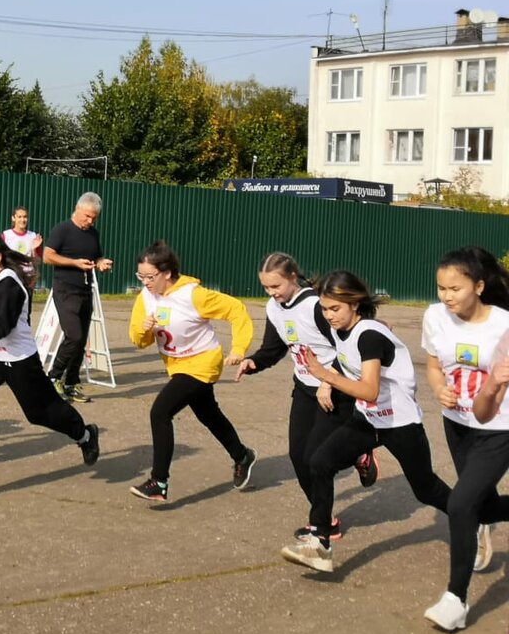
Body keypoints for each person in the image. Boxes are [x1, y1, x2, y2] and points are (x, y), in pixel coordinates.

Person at [282, 270, 453, 575]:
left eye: (335, 309)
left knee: (426, 490)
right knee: (319, 461)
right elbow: (346, 358)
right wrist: (328, 380)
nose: (329, 316)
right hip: (368, 419)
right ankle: (320, 542)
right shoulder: (342, 330)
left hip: (400, 423)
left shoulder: (370, 336)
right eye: (324, 309)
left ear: (355, 305)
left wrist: (325, 377)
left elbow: (369, 389)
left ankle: (472, 518)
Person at [0, 231, 99, 494]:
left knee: (39, 413)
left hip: (19, 360)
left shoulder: (9, 284)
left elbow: (0, 328)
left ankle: (85, 435)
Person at [235, 252, 377, 541]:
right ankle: (326, 519)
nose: (271, 294)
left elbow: (349, 345)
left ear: (292, 277)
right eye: (265, 288)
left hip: (336, 388)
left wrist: (328, 380)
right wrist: (254, 362)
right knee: (298, 456)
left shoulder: (316, 306)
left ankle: (356, 458)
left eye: (275, 286)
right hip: (304, 387)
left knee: (317, 458)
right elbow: (274, 349)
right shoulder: (274, 308)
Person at [420, 248, 509, 631]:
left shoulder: (504, 325)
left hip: (500, 429)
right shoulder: (434, 316)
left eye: (454, 288)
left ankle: (455, 600)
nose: (446, 296)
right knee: (478, 507)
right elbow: (434, 365)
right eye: (441, 288)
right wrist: (439, 389)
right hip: (456, 425)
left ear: (479, 285)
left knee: (460, 505)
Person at [127, 240, 257, 502]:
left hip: (203, 363)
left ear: (166, 272)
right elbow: (138, 341)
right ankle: (243, 455)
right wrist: (145, 328)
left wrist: (239, 348)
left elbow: (236, 310)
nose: (145, 282)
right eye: (140, 276)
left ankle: (159, 482)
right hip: (176, 365)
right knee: (209, 415)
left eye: (150, 276)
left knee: (160, 412)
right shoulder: (146, 297)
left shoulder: (193, 295)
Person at [43, 192, 113, 403]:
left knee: (81, 339)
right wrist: (74, 263)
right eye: (87, 216)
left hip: (85, 290)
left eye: (94, 218)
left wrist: (101, 263)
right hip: (65, 289)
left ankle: (71, 382)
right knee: (73, 335)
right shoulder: (62, 229)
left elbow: (96, 255)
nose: (90, 221)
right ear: (77, 209)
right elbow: (47, 256)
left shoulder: (93, 233)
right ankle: (53, 377)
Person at [1, 206, 43, 325]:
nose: (22, 220)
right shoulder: (6, 235)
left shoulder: (32, 236)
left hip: (27, 280)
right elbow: (1, 258)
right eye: (19, 217)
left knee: (25, 313)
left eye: (25, 217)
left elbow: (37, 261)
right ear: (13, 218)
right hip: (11, 278)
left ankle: (25, 340)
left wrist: (34, 249)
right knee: (9, 310)